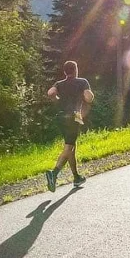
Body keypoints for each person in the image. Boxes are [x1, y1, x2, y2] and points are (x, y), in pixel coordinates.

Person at [44, 61, 94, 192]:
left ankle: (76, 177)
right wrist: (89, 96)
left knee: (71, 145)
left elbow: (50, 93)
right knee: (69, 146)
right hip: (74, 117)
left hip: (60, 117)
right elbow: (88, 98)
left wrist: (57, 100)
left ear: (65, 71)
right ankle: (53, 173)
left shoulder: (59, 84)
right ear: (76, 70)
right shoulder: (82, 82)